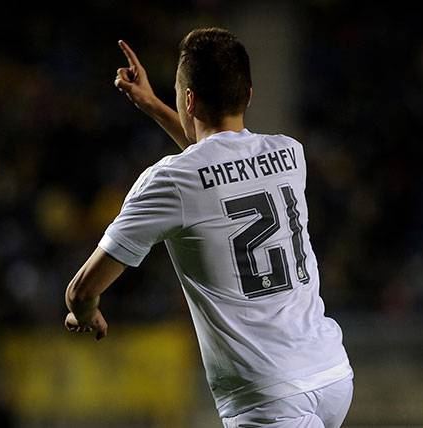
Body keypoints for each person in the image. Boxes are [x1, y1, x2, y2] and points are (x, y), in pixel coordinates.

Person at [64, 28, 353, 428]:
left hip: (267, 395)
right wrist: (152, 106)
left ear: (188, 99)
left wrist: (85, 311)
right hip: (331, 372)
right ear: (248, 95)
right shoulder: (290, 154)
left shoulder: (169, 181)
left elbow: (82, 288)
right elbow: (217, 162)